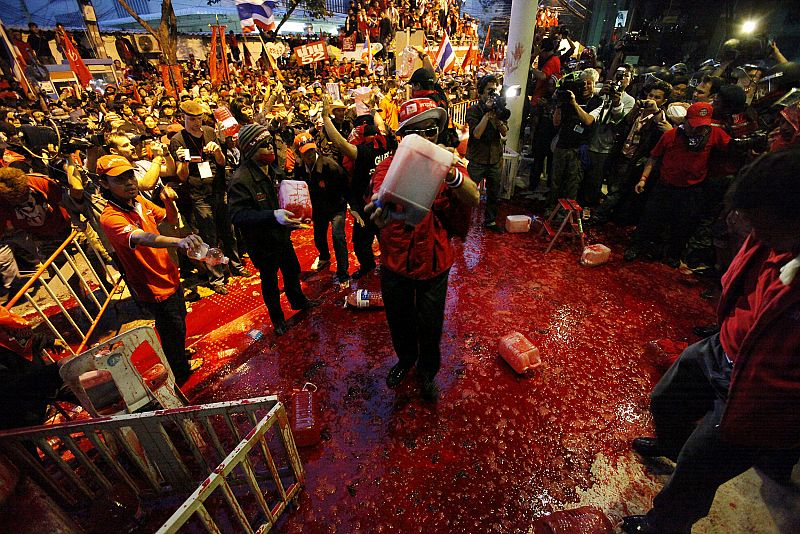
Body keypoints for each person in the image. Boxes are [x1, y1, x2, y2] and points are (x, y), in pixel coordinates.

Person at [622, 149, 800, 533]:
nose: (753, 231)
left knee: (697, 472)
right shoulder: (770, 237)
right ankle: (672, 447)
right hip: (723, 347)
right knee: (666, 399)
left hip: (759, 394)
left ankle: (663, 525)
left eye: (761, 223)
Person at [366, 98, 479, 401]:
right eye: (416, 133)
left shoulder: (449, 164)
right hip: (396, 261)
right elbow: (378, 196)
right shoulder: (388, 167)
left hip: (434, 261)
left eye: (430, 130)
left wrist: (451, 174)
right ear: (404, 139)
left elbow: (474, 197)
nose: (425, 139)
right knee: (399, 319)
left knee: (430, 324)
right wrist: (377, 210)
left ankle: (427, 372)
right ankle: (405, 360)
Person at [97, 155, 203, 384]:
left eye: (130, 176)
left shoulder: (140, 202)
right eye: (119, 179)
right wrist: (178, 242)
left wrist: (168, 202)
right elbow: (144, 238)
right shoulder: (110, 217)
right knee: (170, 326)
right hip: (152, 284)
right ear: (105, 184)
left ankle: (178, 354)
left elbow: (169, 219)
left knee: (178, 321)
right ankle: (181, 372)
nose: (129, 182)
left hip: (168, 272)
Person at [228, 124, 320, 336]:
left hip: (281, 235)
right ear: (251, 150)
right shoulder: (240, 180)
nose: (270, 148)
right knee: (269, 280)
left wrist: (293, 214)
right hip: (261, 242)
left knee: (292, 270)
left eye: (270, 143)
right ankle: (277, 319)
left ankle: (298, 301)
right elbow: (237, 215)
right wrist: (272, 216)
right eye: (263, 146)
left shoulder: (273, 169)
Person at [625, 102, 731, 267]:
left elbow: (731, 147)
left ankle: (673, 254)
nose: (697, 130)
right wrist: (643, 179)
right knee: (650, 218)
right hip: (665, 186)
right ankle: (636, 246)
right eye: (693, 125)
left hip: (691, 189)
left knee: (682, 224)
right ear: (686, 121)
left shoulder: (714, 134)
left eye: (701, 126)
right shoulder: (670, 135)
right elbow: (653, 157)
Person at [321, 96, 395, 279]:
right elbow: (383, 125)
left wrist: (325, 118)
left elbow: (340, 144)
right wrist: (373, 110)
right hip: (388, 201)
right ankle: (391, 267)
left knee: (362, 241)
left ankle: (369, 267)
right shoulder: (388, 143)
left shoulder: (363, 152)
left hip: (368, 206)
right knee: (389, 239)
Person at [293, 131, 351, 287]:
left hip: (336, 205)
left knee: (338, 237)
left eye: (312, 150)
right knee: (319, 236)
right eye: (306, 152)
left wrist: (351, 205)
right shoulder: (299, 168)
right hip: (318, 208)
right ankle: (324, 257)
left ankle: (343, 274)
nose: (310, 154)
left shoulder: (330, 165)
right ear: (299, 153)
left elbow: (345, 184)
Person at [465, 74, 508, 232]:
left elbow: (505, 133)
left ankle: (490, 221)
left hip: (495, 159)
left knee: (493, 194)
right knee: (468, 193)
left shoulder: (500, 108)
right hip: (477, 159)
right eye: (489, 91)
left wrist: (497, 119)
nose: (493, 95)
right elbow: (476, 133)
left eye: (495, 91)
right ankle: (461, 221)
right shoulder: (473, 110)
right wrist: (487, 115)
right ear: (481, 94)